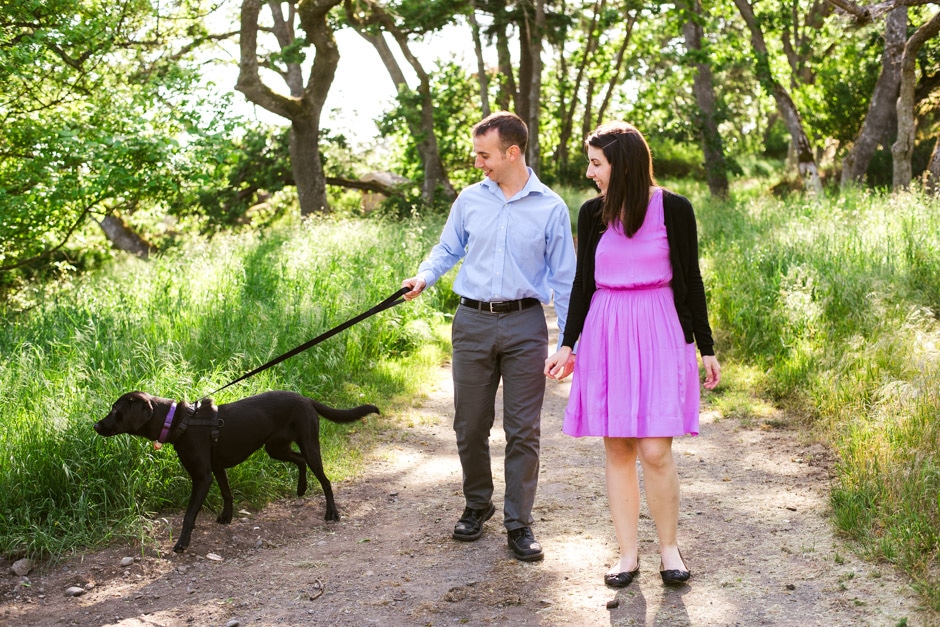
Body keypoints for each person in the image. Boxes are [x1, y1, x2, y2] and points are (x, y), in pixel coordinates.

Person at [544, 122, 720, 587]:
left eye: (596, 163)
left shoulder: (674, 209)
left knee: (656, 450)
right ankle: (627, 554)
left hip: (660, 329)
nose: (589, 172)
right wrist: (568, 342)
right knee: (618, 446)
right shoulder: (591, 213)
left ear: (620, 164)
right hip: (606, 330)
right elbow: (583, 284)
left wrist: (706, 348)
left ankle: (669, 550)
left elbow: (693, 279)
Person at [402, 111, 576, 562]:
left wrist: (568, 341)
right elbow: (448, 248)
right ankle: (477, 505)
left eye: (485, 155)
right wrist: (424, 277)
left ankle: (519, 523)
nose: (478, 163)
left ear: (512, 153)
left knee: (523, 430)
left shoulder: (550, 207)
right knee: (470, 425)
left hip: (525, 325)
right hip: (472, 322)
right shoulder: (470, 199)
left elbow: (566, 280)